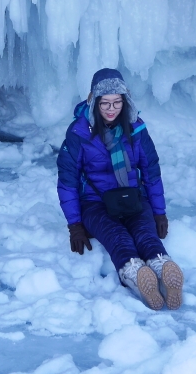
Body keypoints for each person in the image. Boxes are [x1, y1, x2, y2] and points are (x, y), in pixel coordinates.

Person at [56, 68, 184, 310]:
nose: (111, 109)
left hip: (132, 199)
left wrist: (159, 212)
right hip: (95, 203)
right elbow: (67, 180)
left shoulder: (136, 128)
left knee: (145, 234)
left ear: (125, 102)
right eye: (105, 103)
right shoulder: (79, 133)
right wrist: (75, 225)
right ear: (93, 100)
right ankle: (136, 275)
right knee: (118, 237)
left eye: (117, 102)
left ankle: (162, 267)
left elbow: (151, 171)